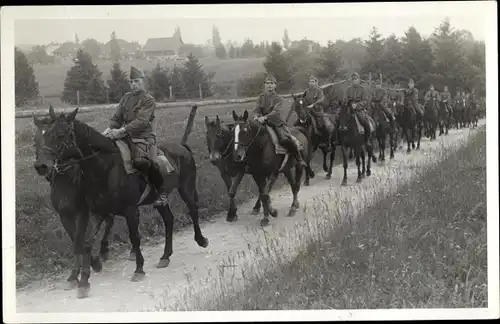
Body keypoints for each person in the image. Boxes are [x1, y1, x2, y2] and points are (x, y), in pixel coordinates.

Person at [102, 66, 172, 207]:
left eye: (136, 81)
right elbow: (117, 118)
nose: (133, 84)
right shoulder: (126, 98)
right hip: (125, 136)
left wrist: (121, 131)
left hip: (144, 137)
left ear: (143, 82)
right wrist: (108, 130)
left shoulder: (148, 100)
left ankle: (161, 193)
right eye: (131, 82)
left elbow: (142, 121)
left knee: (146, 162)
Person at [252, 74, 307, 168]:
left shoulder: (278, 98)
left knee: (284, 139)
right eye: (267, 83)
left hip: (276, 123)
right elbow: (256, 110)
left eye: (271, 83)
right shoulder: (261, 97)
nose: (269, 85)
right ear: (264, 85)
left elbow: (275, 112)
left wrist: (265, 117)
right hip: (263, 123)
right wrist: (256, 116)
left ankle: (299, 159)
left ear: (275, 85)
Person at [334, 72, 372, 138]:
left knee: (364, 121)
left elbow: (365, 100)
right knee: (338, 119)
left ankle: (367, 139)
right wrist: (345, 103)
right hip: (348, 108)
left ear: (359, 80)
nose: (354, 81)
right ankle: (338, 139)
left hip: (358, 109)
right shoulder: (348, 89)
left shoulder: (362, 89)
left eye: (356, 79)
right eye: (353, 79)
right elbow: (345, 99)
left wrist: (357, 104)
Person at [301, 74, 333, 152]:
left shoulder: (319, 91)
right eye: (310, 81)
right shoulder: (306, 92)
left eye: (313, 81)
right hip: (308, 112)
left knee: (324, 125)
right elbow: (302, 99)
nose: (311, 83)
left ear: (316, 82)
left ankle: (326, 143)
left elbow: (321, 99)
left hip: (318, 112)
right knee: (298, 123)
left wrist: (313, 105)